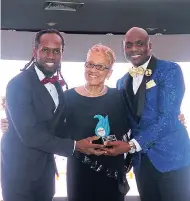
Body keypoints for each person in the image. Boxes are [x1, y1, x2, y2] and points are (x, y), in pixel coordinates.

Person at [1, 29, 104, 201]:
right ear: (35, 51)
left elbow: (57, 127)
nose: (51, 56)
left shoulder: (57, 86)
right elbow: (30, 135)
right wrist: (75, 145)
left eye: (56, 51)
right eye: (45, 50)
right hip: (19, 175)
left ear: (61, 54)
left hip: (45, 173)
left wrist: (96, 138)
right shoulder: (18, 84)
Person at [105, 27, 190, 201]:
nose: (134, 49)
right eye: (128, 45)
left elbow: (167, 118)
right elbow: (125, 121)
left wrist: (131, 145)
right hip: (142, 164)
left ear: (149, 46)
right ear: (124, 49)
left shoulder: (170, 70)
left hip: (172, 159)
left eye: (139, 44)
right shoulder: (122, 82)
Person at [55, 44, 131, 201]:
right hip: (80, 174)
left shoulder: (119, 98)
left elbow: (133, 128)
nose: (93, 70)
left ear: (109, 72)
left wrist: (177, 117)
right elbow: (56, 132)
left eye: (100, 66)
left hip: (112, 174)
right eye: (90, 64)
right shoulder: (67, 98)